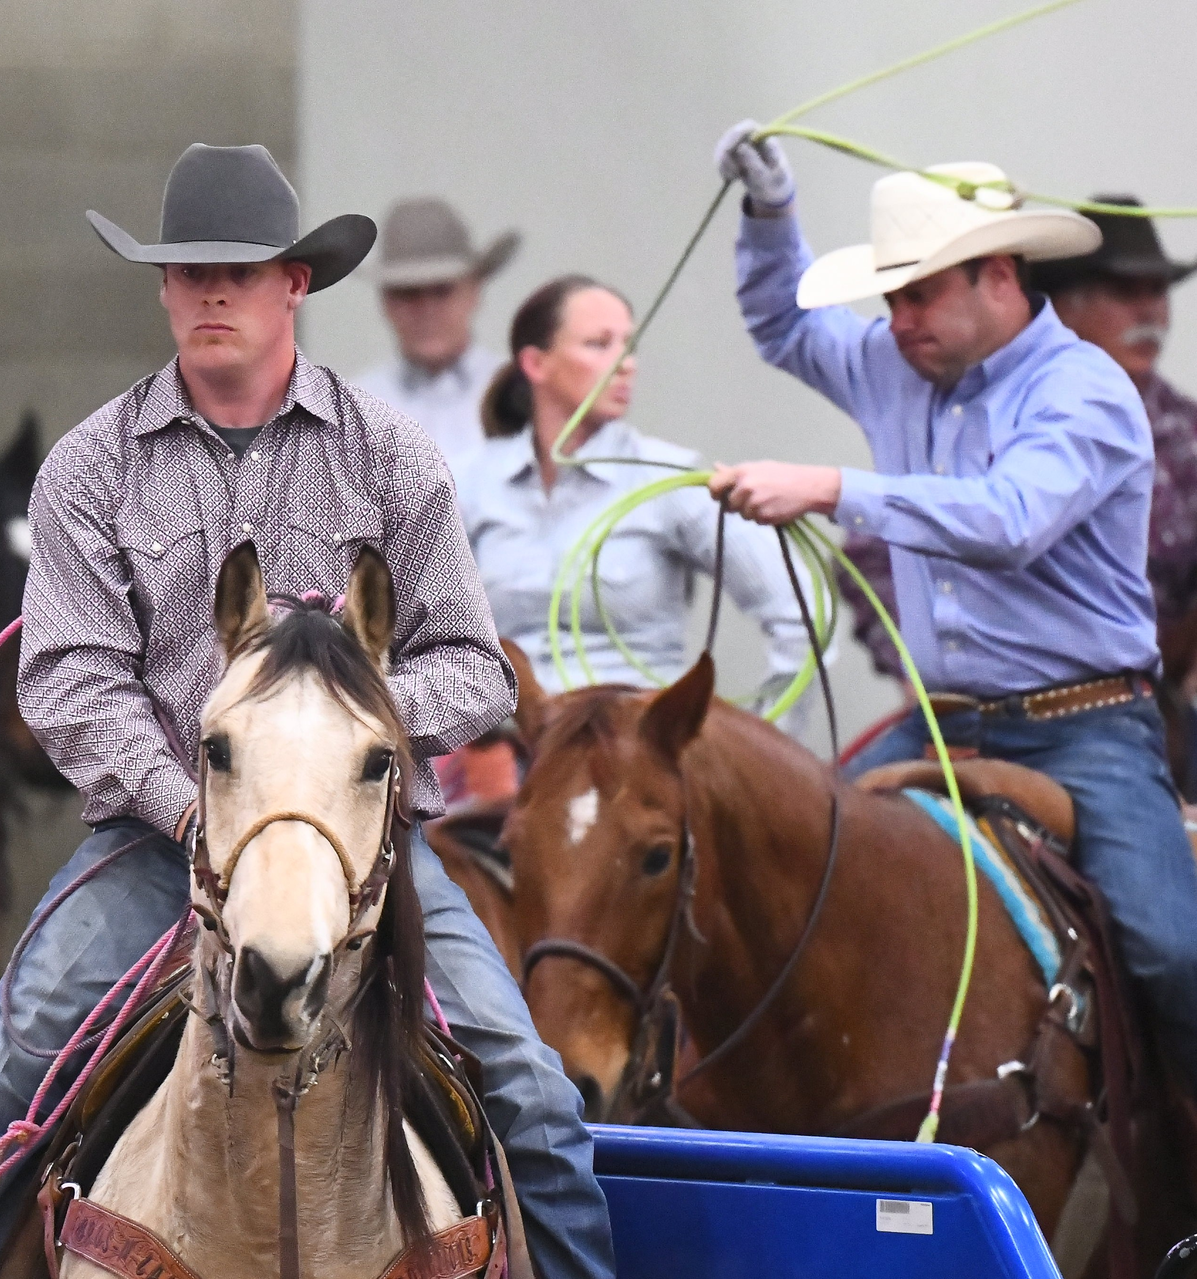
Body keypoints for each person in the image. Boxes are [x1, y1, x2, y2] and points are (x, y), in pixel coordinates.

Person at [0, 144, 613, 1279]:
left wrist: (342, 734)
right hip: (153, 847)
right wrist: (193, 806)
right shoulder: (90, 469)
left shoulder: (391, 455)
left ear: (296, 283)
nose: (210, 292)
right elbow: (69, 682)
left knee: (534, 1094)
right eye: (187, 270)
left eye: (239, 271)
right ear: (160, 286)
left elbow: (476, 667)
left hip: (365, 853)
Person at [708, 120, 1197, 1099]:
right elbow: (784, 324)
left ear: (1000, 276)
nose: (899, 317)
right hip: (945, 723)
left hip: (1087, 734)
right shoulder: (899, 358)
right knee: (785, 869)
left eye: (921, 291)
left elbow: (1011, 517)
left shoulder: (1087, 390)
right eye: (892, 296)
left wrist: (828, 484)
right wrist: (770, 215)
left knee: (1172, 953)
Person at [840, 195, 1197, 693]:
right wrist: (911, 662)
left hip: (1130, 704)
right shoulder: (971, 409)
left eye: (1158, 291)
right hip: (972, 701)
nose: (1151, 313)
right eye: (1124, 291)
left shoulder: (1190, 434)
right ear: (1064, 302)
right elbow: (874, 552)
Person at [460, 273, 827, 713]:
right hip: (508, 746)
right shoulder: (470, 482)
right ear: (536, 365)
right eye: (599, 344)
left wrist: (763, 749)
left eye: (628, 345)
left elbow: (803, 613)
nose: (626, 363)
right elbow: (409, 630)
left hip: (634, 755)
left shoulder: (668, 480)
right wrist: (467, 741)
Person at [355, 197, 517, 472]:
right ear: (385, 302)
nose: (426, 310)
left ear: (475, 292)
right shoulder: (352, 409)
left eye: (442, 290)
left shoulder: (522, 396)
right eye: (407, 292)